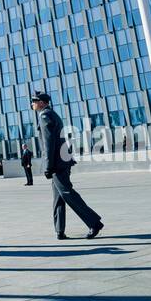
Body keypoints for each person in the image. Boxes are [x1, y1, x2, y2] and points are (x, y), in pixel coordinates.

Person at [32, 93, 102, 240]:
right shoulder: (51, 114)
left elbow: (49, 143)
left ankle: (94, 222)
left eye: (34, 101)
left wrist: (48, 166)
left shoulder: (45, 116)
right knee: (58, 197)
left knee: (67, 193)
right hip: (61, 160)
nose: (32, 104)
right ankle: (59, 230)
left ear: (43, 103)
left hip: (57, 162)